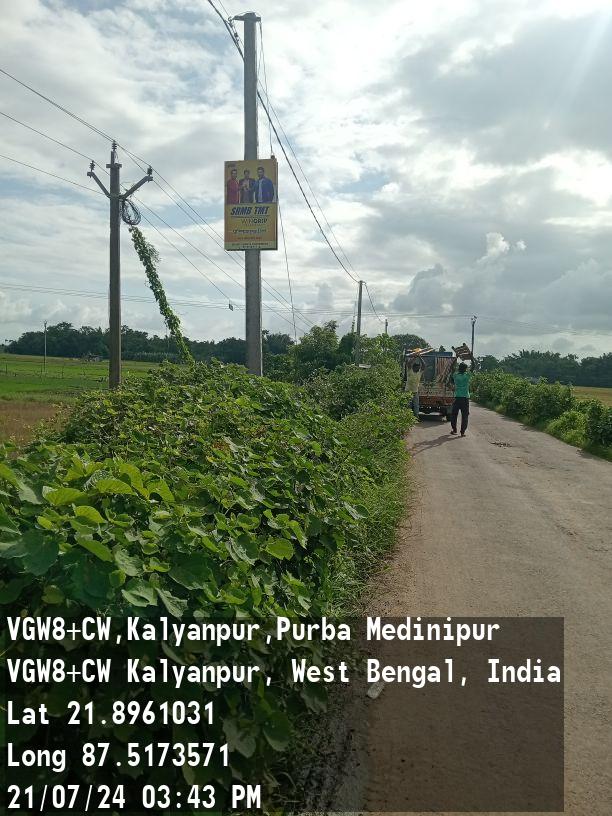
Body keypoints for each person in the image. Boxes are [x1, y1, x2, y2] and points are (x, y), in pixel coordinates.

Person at [449, 357, 476, 436]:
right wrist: (471, 357)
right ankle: (462, 432)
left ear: (459, 368)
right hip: (465, 398)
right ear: (465, 369)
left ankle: (454, 430)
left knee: (454, 414)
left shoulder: (455, 375)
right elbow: (473, 367)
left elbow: (451, 367)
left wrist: (456, 357)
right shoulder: (467, 375)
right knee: (465, 416)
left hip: (457, 398)